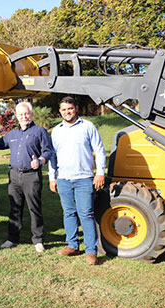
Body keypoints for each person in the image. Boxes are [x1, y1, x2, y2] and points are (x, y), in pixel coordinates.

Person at [0, 102, 52, 253]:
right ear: (16, 116)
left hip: (31, 175)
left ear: (32, 114)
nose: (24, 117)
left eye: (26, 114)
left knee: (34, 208)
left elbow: (48, 151)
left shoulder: (39, 131)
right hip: (14, 175)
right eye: (20, 114)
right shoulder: (13, 134)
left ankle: (38, 240)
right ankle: (12, 238)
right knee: (15, 207)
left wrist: (40, 161)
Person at [48, 96, 106, 265]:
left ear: (76, 109)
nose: (67, 112)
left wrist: (100, 173)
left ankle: (91, 251)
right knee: (68, 213)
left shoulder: (87, 126)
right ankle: (72, 246)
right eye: (64, 109)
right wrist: (53, 178)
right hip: (64, 179)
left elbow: (100, 151)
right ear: (60, 112)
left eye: (70, 109)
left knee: (86, 214)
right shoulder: (56, 131)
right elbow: (53, 156)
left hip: (84, 179)